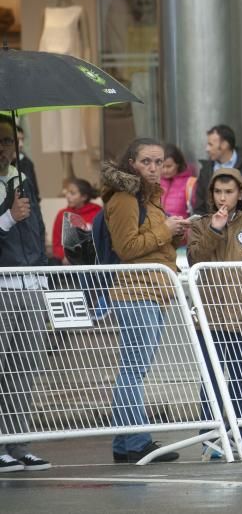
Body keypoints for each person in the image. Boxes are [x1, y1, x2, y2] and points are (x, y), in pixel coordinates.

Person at [103, 137, 189, 463]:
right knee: (134, 369)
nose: (154, 168)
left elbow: (147, 241)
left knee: (134, 367)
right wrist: (167, 230)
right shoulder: (126, 197)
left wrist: (173, 231)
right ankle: (137, 440)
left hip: (153, 290)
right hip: (136, 291)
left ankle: (124, 443)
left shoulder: (149, 197)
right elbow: (126, 248)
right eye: (147, 162)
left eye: (159, 162)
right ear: (131, 163)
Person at [187, 168, 242, 459]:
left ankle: (237, 434)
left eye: (229, 192)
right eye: (218, 192)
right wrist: (215, 229)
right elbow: (195, 257)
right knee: (210, 381)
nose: (223, 197)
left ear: (240, 194)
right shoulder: (201, 225)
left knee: (240, 379)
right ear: (212, 194)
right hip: (209, 318)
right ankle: (210, 439)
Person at [0, 116, 52, 472]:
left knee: (25, 368)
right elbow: (14, 223)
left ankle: (19, 444)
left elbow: (37, 229)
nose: (4, 147)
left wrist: (43, 277)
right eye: (0, 141)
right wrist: (7, 217)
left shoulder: (22, 179)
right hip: (3, 283)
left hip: (30, 283)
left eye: (8, 140)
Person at [192, 125, 242, 215]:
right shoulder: (206, 170)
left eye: (210, 144)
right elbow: (199, 206)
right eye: (217, 191)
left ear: (224, 145)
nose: (207, 149)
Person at [51, 178, 101, 264]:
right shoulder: (62, 214)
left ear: (84, 197)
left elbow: (102, 241)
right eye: (67, 192)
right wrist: (67, 256)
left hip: (93, 260)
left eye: (72, 193)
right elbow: (56, 244)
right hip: (68, 261)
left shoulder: (98, 213)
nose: (68, 196)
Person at [160, 143, 196, 219]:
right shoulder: (155, 181)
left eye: (169, 166)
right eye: (162, 166)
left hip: (181, 228)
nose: (165, 170)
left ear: (178, 164)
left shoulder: (189, 183)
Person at [14, 124, 40, 203]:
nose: (21, 144)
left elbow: (34, 193)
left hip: (28, 211)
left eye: (22, 139)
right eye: (17, 140)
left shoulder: (27, 163)